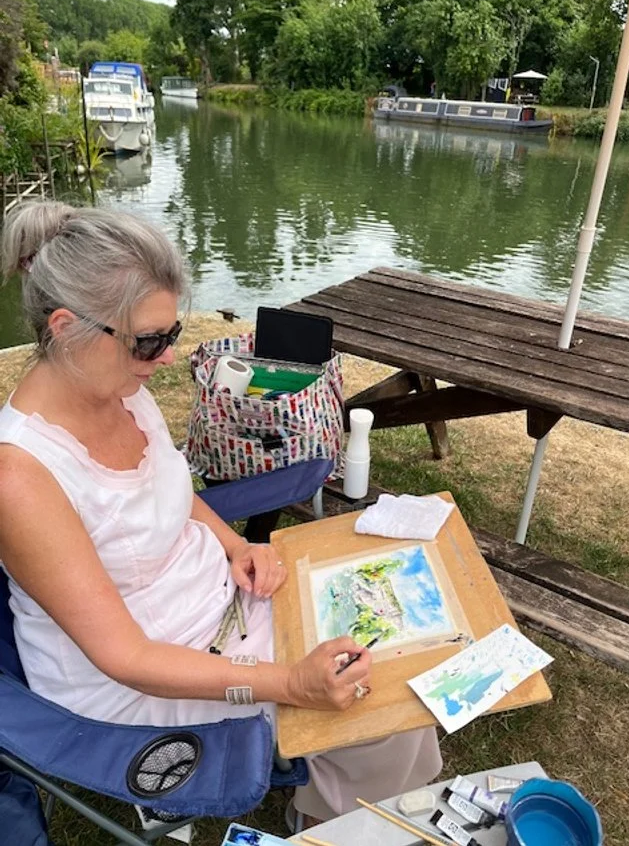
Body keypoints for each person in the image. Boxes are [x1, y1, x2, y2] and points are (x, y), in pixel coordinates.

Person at [0, 202, 442, 824]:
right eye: (150, 340)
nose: (168, 358)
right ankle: (330, 822)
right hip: (138, 679)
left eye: (172, 334)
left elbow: (172, 492)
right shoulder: (20, 477)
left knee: (388, 651)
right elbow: (125, 657)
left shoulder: (120, 389)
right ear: (68, 326)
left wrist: (236, 546)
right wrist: (288, 683)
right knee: (371, 700)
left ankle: (339, 809)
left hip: (214, 603)